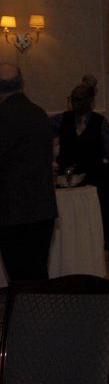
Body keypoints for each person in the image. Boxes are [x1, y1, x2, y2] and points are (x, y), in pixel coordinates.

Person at [51, 76, 109, 254]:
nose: (75, 104)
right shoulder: (61, 119)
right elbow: (40, 134)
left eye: (79, 100)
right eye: (73, 99)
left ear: (90, 101)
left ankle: (102, 246)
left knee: (100, 210)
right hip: (68, 173)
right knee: (67, 211)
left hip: (94, 172)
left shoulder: (100, 121)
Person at [0, 63, 57, 282]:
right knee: (38, 271)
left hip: (13, 210)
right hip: (42, 207)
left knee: (19, 276)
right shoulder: (39, 113)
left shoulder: (3, 116)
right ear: (22, 83)